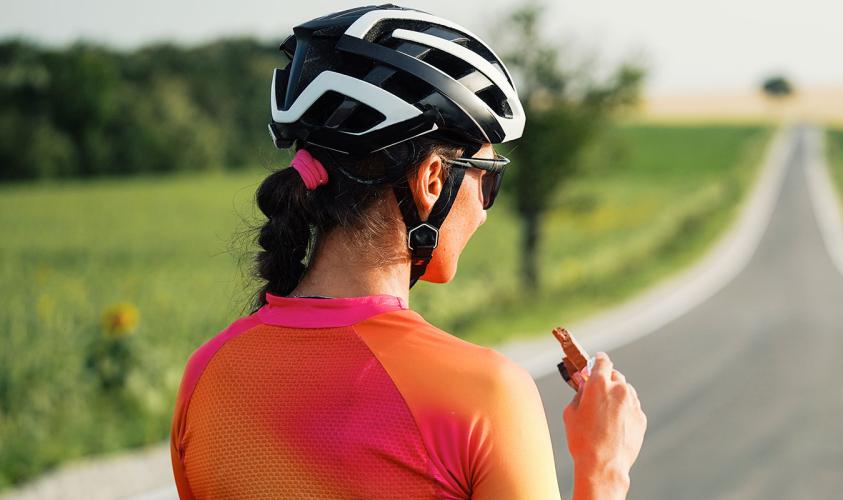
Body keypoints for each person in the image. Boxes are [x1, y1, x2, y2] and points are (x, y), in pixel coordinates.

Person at [169, 4, 647, 499]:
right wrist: (605, 467)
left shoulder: (207, 375)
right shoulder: (485, 394)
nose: (484, 212)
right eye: (488, 181)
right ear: (432, 181)